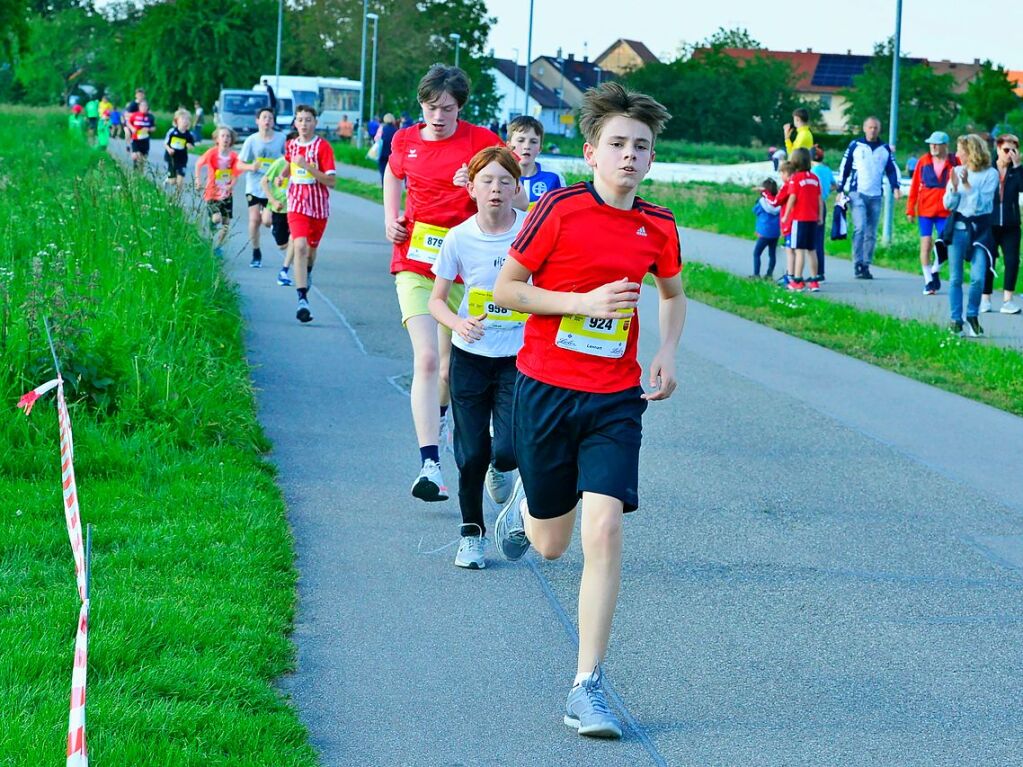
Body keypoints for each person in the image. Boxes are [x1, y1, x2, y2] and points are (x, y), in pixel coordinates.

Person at [491, 81, 686, 740]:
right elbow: (506, 289)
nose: (629, 156)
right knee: (550, 544)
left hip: (613, 397)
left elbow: (673, 293)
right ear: (591, 152)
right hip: (545, 387)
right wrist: (581, 304)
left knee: (602, 529)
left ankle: (586, 684)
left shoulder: (657, 224)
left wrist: (667, 351)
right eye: (618, 144)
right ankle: (522, 505)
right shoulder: (557, 209)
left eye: (641, 146)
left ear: (650, 159)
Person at [383, 65, 521, 503]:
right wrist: (391, 217)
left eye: (446, 108)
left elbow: (512, 192)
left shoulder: (481, 141)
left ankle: (453, 431)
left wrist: (473, 184)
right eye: (429, 107)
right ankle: (429, 464)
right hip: (416, 264)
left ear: (460, 106)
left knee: (446, 368)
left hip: (469, 269)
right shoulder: (404, 139)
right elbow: (392, 174)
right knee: (425, 360)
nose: (437, 116)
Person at [428, 147, 528, 569]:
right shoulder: (458, 238)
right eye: (486, 181)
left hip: (517, 358)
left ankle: (501, 468)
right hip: (471, 356)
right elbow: (436, 300)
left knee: (506, 450)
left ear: (516, 188)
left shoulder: (530, 232)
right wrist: (457, 321)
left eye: (505, 181)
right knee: (470, 455)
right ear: (471, 188)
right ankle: (472, 535)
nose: (496, 189)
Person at [282, 105, 337, 323]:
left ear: (315, 123)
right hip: (296, 203)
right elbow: (289, 165)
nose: (304, 124)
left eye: (308, 120)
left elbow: (331, 181)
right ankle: (302, 299)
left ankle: (307, 271)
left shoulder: (322, 147)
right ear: (295, 123)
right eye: (300, 120)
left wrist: (308, 167)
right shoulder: (291, 145)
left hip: (318, 207)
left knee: (311, 251)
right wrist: (282, 176)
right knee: (300, 246)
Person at [943, 134, 999, 337]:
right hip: (957, 229)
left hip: (980, 231)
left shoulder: (990, 174)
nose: (956, 154)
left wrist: (967, 185)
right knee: (956, 278)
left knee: (977, 278)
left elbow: (982, 205)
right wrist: (955, 189)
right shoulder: (956, 171)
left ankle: (972, 315)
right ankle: (956, 320)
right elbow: (948, 204)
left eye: (960, 150)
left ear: (970, 152)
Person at [839, 116, 901, 279]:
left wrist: (895, 187)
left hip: (876, 195)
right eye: (870, 127)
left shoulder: (884, 149)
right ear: (864, 128)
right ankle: (857, 262)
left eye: (875, 127)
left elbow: (892, 170)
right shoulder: (856, 146)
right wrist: (840, 188)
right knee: (860, 227)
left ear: (879, 130)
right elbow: (845, 166)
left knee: (871, 231)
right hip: (857, 192)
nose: (872, 130)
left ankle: (866, 264)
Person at [906, 131, 957, 295]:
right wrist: (910, 210)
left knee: (945, 245)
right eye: (931, 144)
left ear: (945, 146)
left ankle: (935, 269)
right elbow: (914, 186)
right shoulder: (923, 161)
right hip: (925, 210)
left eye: (936, 144)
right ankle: (928, 280)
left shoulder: (954, 162)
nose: (933, 147)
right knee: (926, 244)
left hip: (946, 210)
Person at [239, 107, 287, 268]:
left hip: (273, 187)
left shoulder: (281, 139)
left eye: (270, 118)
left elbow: (289, 159)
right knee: (254, 220)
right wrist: (250, 167)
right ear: (257, 120)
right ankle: (256, 251)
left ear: (273, 122)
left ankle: (273, 226)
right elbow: (239, 163)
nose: (267, 120)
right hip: (254, 185)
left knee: (267, 220)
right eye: (264, 117)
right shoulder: (251, 140)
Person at [981, 134, 1022, 314]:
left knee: (1012, 261)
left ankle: (1008, 300)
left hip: (1011, 224)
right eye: (1006, 150)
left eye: (1013, 150)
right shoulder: (988, 169)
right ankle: (985, 298)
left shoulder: (1017, 170)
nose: (1009, 154)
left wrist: (1018, 166)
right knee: (988, 260)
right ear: (998, 150)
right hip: (990, 223)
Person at [195, 127, 249, 254]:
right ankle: (211, 226)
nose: (225, 139)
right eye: (223, 136)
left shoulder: (234, 156)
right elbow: (198, 163)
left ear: (231, 140)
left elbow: (236, 173)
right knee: (216, 218)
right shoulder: (212, 153)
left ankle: (217, 247)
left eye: (228, 136)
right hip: (212, 192)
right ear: (217, 139)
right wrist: (198, 180)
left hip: (227, 194)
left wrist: (232, 185)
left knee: (225, 224)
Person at [778, 148, 823, 292]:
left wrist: (786, 215)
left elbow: (792, 197)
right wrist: (820, 216)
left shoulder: (796, 178)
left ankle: (797, 280)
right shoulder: (814, 178)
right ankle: (815, 280)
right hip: (813, 218)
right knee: (812, 250)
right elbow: (819, 199)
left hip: (799, 218)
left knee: (799, 250)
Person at [506, 115, 565, 210]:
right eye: (521, 140)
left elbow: (563, 212)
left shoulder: (553, 177)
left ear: (540, 148)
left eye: (533, 142)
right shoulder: (501, 177)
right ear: (509, 145)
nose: (526, 146)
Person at [260, 138, 297, 287]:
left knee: (296, 240)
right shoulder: (279, 163)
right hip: (279, 208)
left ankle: (285, 271)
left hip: (296, 209)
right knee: (282, 245)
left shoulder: (304, 166)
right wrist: (273, 201)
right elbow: (264, 181)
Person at [810, 146, 836, 280]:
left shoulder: (812, 171)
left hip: (812, 204)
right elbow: (834, 185)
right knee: (819, 240)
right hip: (823, 204)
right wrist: (826, 191)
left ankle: (811, 272)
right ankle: (820, 272)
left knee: (810, 241)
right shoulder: (827, 170)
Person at [751, 178, 781, 278]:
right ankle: (769, 274)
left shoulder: (761, 202)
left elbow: (756, 211)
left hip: (764, 232)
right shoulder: (778, 202)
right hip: (775, 232)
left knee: (757, 253)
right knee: (772, 254)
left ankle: (756, 274)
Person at [163, 109, 194, 190]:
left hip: (182, 159)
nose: (185, 121)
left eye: (187, 119)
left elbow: (191, 145)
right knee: (173, 181)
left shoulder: (189, 134)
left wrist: (189, 145)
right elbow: (165, 143)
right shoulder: (172, 132)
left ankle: (176, 199)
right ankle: (167, 181)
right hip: (171, 158)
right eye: (183, 119)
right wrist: (169, 149)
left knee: (180, 181)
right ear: (177, 121)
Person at [126, 99, 156, 171]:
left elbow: (154, 128)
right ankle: (136, 172)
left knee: (143, 159)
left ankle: (140, 174)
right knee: (137, 156)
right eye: (142, 106)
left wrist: (148, 129)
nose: (144, 107)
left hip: (145, 140)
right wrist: (132, 128)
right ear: (139, 107)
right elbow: (128, 123)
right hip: (136, 139)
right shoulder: (135, 115)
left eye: (145, 106)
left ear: (147, 107)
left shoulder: (150, 117)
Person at [376, 112, 398, 182]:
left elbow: (376, 139)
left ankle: (384, 188)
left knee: (383, 172)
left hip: (382, 153)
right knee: (391, 173)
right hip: (392, 154)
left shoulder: (381, 129)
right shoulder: (396, 130)